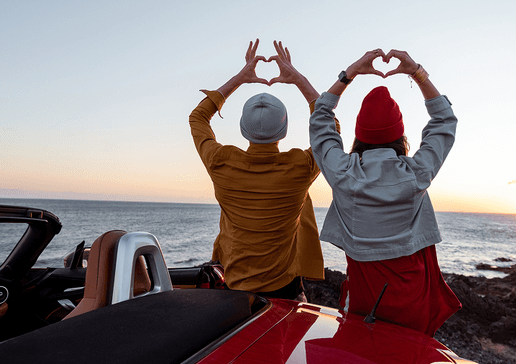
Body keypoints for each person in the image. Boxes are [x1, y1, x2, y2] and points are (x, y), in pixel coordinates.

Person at [308, 48, 460, 336]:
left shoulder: (342, 173)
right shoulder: (417, 173)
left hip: (367, 301)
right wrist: (418, 73)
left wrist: (349, 73)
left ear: (359, 137)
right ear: (401, 138)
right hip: (412, 296)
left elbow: (321, 118)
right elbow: (444, 121)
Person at [189, 39, 325, 299]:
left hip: (234, 287)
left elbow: (197, 117)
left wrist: (239, 78)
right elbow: (328, 127)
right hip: (285, 288)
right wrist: (298, 79)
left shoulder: (221, 161)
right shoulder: (301, 167)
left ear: (242, 129)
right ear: (284, 131)